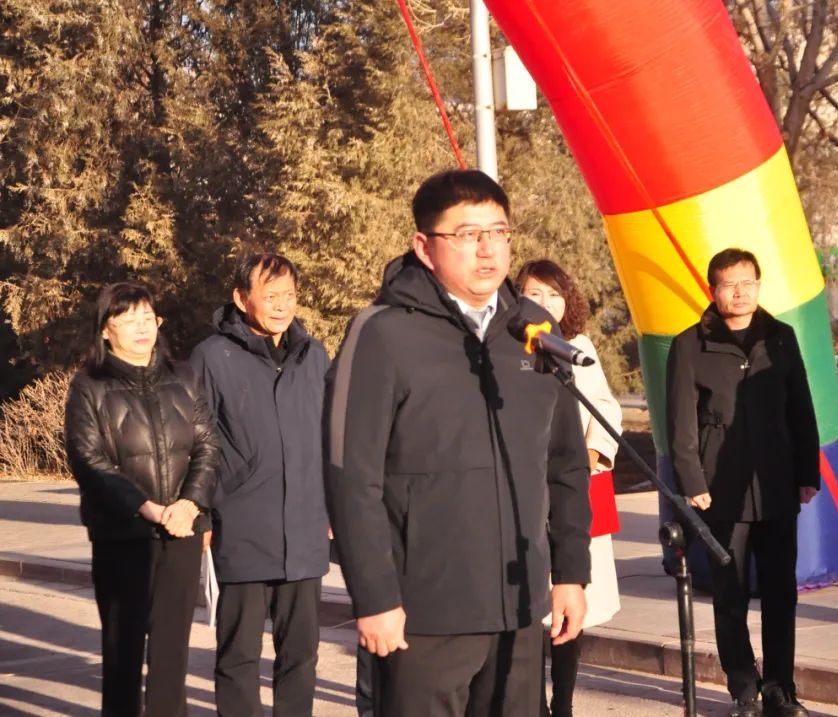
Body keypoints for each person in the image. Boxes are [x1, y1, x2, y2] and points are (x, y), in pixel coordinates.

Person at [324, 169, 592, 717]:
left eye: (498, 232)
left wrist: (570, 572)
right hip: (423, 609)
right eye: (468, 235)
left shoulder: (534, 331)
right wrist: (375, 598)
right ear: (425, 247)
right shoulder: (382, 333)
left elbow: (565, 464)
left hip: (518, 602)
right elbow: (352, 478)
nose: (488, 250)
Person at [666, 248, 819, 717]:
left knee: (780, 593)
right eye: (729, 284)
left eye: (747, 282)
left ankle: (780, 687)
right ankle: (743, 687)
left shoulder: (780, 338)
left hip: (776, 483)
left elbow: (801, 408)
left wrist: (807, 473)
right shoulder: (690, 344)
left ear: (758, 284)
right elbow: (680, 424)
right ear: (712, 290)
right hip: (720, 487)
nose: (739, 292)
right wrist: (693, 479)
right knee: (729, 593)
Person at [64, 282, 218, 716]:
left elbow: (208, 446)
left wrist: (190, 504)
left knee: (171, 654)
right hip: (122, 536)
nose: (142, 328)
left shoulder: (183, 376)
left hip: (181, 532)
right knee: (123, 655)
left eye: (148, 318)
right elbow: (88, 460)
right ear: (105, 329)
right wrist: (146, 507)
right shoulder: (89, 386)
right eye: (129, 319)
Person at [190, 254, 331, 717]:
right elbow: (195, 440)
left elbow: (330, 435)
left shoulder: (314, 355)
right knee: (239, 655)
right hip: (242, 524)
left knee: (301, 654)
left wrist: (333, 506)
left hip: (305, 526)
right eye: (270, 296)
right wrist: (201, 511)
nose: (282, 305)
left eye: (289, 295)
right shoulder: (213, 356)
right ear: (241, 298)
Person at [516, 259, 622, 717]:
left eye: (553, 295)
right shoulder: (510, 345)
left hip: (570, 487)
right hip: (524, 490)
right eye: (534, 294)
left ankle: (563, 701)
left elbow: (604, 406)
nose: (544, 303)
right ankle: (532, 703)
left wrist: (592, 453)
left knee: (570, 600)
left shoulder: (577, 346)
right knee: (528, 607)